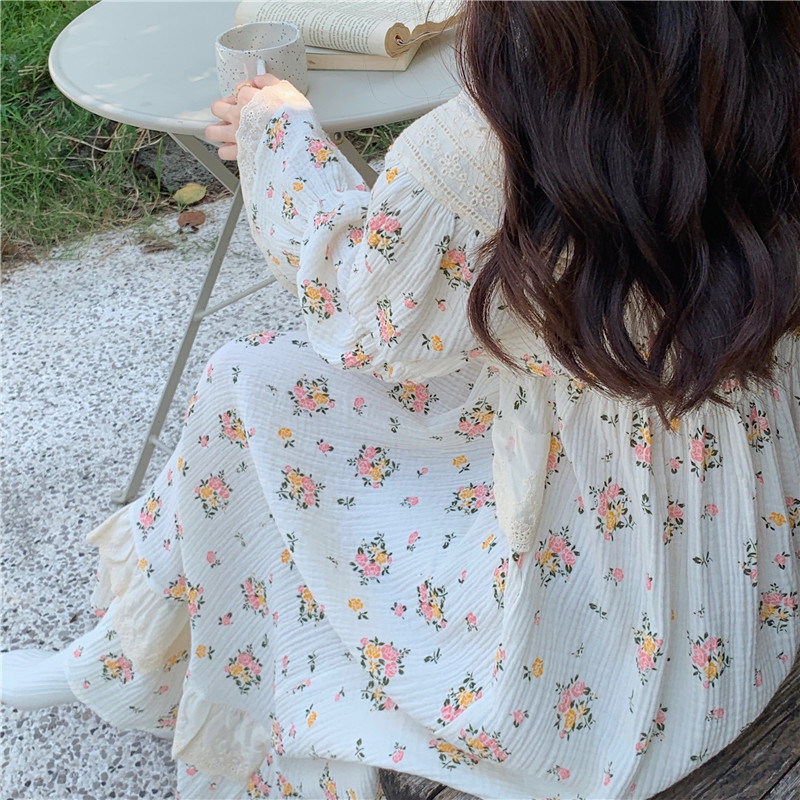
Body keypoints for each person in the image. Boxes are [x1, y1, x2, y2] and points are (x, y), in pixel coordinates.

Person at [3, 2, 799, 798]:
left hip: (606, 599)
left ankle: (127, 665)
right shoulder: (767, 64)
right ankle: (122, 658)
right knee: (261, 388)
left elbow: (360, 312)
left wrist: (279, 135)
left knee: (251, 385)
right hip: (742, 551)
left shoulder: (494, 145)